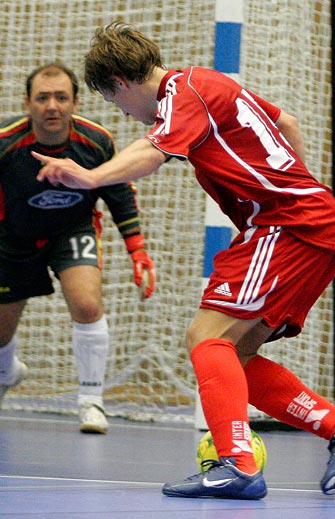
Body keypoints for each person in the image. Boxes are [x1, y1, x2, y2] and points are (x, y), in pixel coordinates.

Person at [34, 21, 335, 500]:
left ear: (120, 83)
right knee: (233, 353)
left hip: (287, 225)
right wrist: (304, 190)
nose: (122, 110)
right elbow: (287, 125)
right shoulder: (212, 84)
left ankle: (237, 464)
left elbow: (152, 151)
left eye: (114, 100)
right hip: (305, 222)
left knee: (205, 336)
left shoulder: (182, 91)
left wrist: (91, 178)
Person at [0, 62, 156, 434]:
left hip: (73, 229)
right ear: (27, 102)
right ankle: (8, 371)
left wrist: (137, 250)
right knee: (1, 335)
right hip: (12, 240)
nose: (51, 106)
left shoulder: (96, 142)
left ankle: (91, 401)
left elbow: (118, 191)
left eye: (60, 97)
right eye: (42, 98)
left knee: (87, 304)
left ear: (74, 102)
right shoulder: (6, 144)